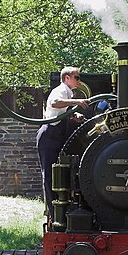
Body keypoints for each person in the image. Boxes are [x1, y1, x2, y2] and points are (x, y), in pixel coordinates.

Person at [37, 67, 88, 219]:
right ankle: (53, 214)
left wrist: (74, 114)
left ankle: (59, 212)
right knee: (49, 176)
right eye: (77, 78)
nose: (79, 81)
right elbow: (54, 103)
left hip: (55, 136)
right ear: (67, 78)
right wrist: (77, 102)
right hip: (49, 135)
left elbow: (61, 112)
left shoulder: (68, 92)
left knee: (56, 174)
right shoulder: (61, 90)